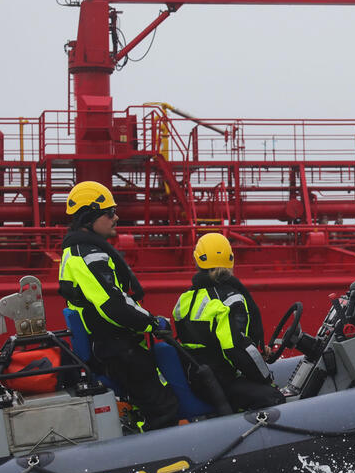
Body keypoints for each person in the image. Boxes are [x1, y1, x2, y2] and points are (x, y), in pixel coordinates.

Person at [58, 181, 180, 430]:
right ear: (89, 215)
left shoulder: (82, 250)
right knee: (164, 408)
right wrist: (151, 322)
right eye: (109, 212)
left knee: (149, 399)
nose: (116, 217)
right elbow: (112, 304)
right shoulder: (86, 253)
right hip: (115, 348)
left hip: (113, 344)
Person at [172, 232, 286, 411]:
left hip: (196, 378)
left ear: (197, 261)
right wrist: (265, 378)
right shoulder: (230, 298)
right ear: (231, 259)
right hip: (219, 381)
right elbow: (236, 347)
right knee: (274, 398)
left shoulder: (184, 300)